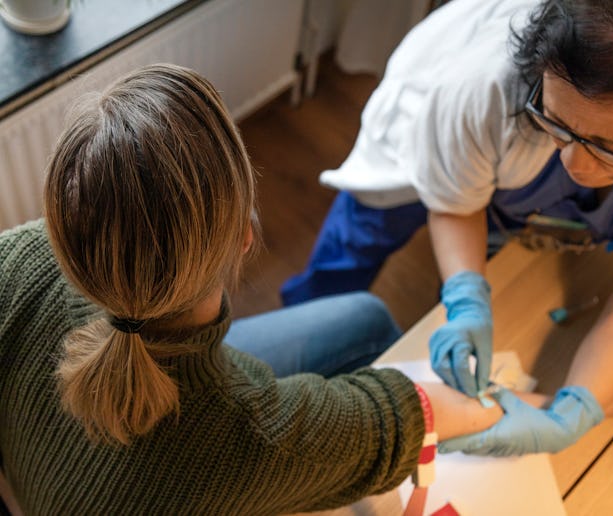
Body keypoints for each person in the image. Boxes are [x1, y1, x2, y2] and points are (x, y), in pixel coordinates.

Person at [0, 63, 552, 514]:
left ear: (70, 221)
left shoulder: (18, 257)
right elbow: (403, 414)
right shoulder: (247, 440)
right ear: (244, 238)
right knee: (371, 328)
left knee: (363, 318)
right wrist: (539, 408)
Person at [282, 0, 613, 455]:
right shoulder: (482, 85)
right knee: (360, 235)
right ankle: (301, 320)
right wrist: (466, 298)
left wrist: (574, 415)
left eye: (611, 149)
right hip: (433, 128)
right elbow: (455, 203)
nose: (574, 163)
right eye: (556, 121)